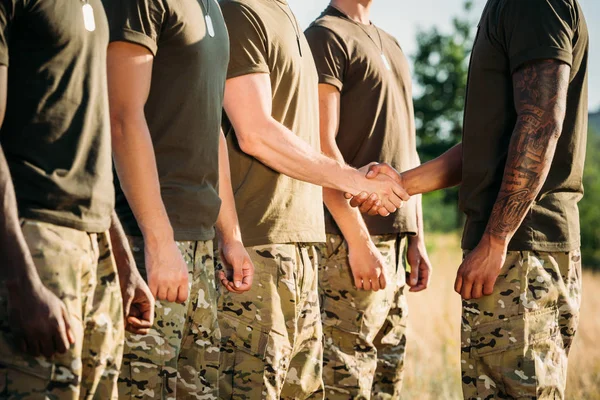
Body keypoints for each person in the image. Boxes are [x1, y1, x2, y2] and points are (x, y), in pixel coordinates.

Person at [350, 0, 588, 398]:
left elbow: (541, 125)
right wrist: (401, 184)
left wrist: (496, 240)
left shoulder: (533, 5)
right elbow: (489, 144)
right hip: (511, 249)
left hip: (522, 249)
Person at [218, 0, 409, 398]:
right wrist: (356, 182)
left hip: (304, 245)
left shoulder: (286, 16)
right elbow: (254, 131)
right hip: (259, 246)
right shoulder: (238, 11)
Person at [0, 1, 154, 398]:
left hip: (95, 245)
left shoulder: (96, 6)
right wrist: (20, 280)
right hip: (34, 239)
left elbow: (90, 143)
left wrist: (122, 260)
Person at [101, 0, 253, 398]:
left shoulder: (213, 8)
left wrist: (230, 234)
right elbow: (121, 115)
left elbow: (212, 130)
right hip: (146, 241)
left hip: (199, 243)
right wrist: (158, 240)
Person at [304, 0, 432, 398]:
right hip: (346, 241)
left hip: (395, 242)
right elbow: (322, 149)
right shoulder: (324, 35)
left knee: (385, 383)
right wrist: (358, 243)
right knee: (346, 381)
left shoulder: (391, 42)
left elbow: (407, 148)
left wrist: (417, 237)